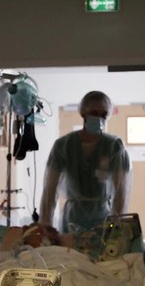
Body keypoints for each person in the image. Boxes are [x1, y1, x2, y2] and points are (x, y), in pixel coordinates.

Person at [39, 90, 131, 232]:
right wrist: (45, 223)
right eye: (94, 113)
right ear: (83, 113)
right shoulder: (64, 145)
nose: (99, 118)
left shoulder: (113, 146)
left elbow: (121, 190)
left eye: (103, 115)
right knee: (69, 252)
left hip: (103, 219)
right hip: (72, 218)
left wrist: (116, 223)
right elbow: (50, 188)